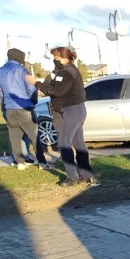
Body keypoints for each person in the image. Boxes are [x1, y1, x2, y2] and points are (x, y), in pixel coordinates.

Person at [28, 46, 98, 187]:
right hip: (75, 110)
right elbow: (57, 89)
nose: (55, 60)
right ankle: (87, 175)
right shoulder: (67, 71)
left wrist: (35, 83)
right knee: (79, 144)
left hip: (72, 111)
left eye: (57, 57)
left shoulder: (67, 72)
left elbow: (57, 91)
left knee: (64, 143)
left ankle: (72, 177)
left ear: (65, 58)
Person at [0, 48, 53, 171]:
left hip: (9, 108)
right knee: (34, 136)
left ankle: (20, 162)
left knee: (14, 137)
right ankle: (42, 163)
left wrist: (5, 105)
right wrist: (33, 102)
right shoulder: (22, 70)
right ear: (19, 58)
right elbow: (31, 88)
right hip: (24, 107)